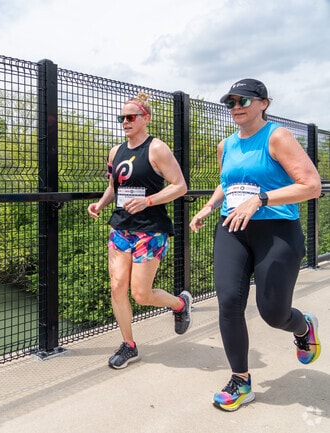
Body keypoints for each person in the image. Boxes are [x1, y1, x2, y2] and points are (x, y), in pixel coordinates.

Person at [189, 78, 322, 411]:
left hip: (276, 230)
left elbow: (311, 185)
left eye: (243, 101)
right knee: (229, 301)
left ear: (264, 103)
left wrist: (261, 199)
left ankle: (303, 326)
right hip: (232, 227)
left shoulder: (277, 137)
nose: (236, 107)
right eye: (230, 102)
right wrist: (208, 207)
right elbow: (227, 184)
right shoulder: (226, 145)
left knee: (273, 313)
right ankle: (241, 380)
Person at [87, 92, 192, 369]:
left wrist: (148, 200)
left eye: (130, 117)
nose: (125, 122)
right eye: (121, 118)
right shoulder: (115, 152)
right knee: (116, 286)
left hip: (150, 229)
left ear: (146, 118)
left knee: (141, 294)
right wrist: (99, 204)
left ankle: (179, 304)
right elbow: (114, 186)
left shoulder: (157, 148)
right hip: (121, 227)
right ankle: (129, 345)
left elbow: (180, 185)